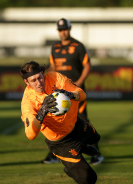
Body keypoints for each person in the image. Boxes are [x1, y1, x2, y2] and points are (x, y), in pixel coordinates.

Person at [20, 61, 101, 184]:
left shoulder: (55, 78)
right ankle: (70, 168)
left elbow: (82, 95)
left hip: (76, 126)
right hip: (61, 143)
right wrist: (41, 112)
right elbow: (31, 135)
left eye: (40, 77)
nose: (38, 82)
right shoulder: (28, 102)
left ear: (43, 73)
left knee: (96, 137)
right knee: (89, 179)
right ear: (26, 82)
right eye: (33, 80)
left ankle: (82, 147)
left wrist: (70, 95)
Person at [46, 17, 104, 165]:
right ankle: (54, 154)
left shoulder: (78, 46)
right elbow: (52, 67)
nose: (63, 32)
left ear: (69, 29)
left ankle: (96, 153)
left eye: (65, 29)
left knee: (83, 120)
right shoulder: (55, 47)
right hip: (59, 91)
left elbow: (87, 65)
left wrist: (80, 82)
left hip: (75, 91)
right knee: (56, 121)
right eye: (60, 30)